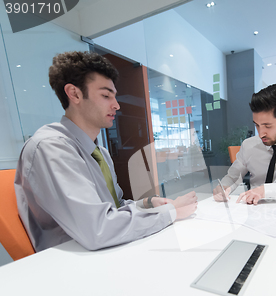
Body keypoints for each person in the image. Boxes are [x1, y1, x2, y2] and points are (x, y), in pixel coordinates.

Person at [15, 51, 197, 252]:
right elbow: (98, 229)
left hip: (105, 251)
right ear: (74, 94)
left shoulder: (98, 151)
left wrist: (148, 203)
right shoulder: (51, 147)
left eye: (114, 96)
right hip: (71, 261)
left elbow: (115, 207)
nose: (116, 105)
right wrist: (171, 212)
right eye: (105, 95)